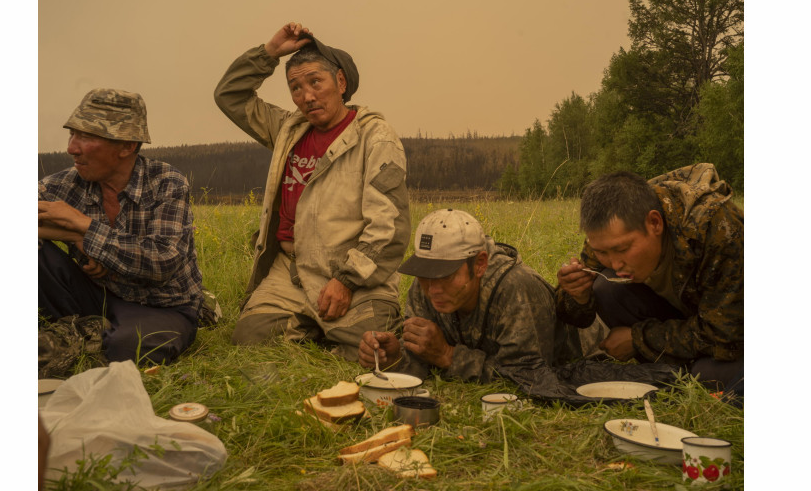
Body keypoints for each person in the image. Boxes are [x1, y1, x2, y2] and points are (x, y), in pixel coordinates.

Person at [213, 22, 410, 361]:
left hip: (354, 277)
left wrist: (346, 282)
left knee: (374, 349)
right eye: (295, 87)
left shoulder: (375, 138)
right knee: (250, 339)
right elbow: (229, 96)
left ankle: (317, 329)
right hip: (290, 272)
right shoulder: (288, 129)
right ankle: (312, 325)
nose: (306, 96)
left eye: (315, 82)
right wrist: (269, 53)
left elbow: (389, 228)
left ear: (341, 82)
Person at [38, 88, 208, 372]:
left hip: (161, 306)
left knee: (129, 349)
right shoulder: (64, 184)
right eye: (72, 134)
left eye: (87, 136)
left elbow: (162, 261)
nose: (72, 148)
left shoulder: (167, 182)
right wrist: (71, 236)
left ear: (127, 146)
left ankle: (84, 334)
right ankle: (88, 329)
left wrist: (83, 228)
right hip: (94, 294)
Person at [555, 164, 743, 391]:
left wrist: (639, 340)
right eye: (602, 252)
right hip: (686, 320)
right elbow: (574, 316)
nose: (614, 264)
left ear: (654, 223)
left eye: (623, 249)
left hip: (736, 330)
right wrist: (577, 295)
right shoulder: (607, 234)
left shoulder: (717, 228)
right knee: (605, 287)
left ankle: (681, 369)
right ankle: (672, 365)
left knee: (710, 377)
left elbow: (725, 335)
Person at [358, 209, 582, 383]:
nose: (433, 289)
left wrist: (449, 356)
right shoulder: (423, 286)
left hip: (590, 350)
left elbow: (527, 375)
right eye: (426, 273)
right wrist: (395, 357)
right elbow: (423, 358)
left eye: (445, 275)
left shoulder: (517, 289)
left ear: (479, 264)